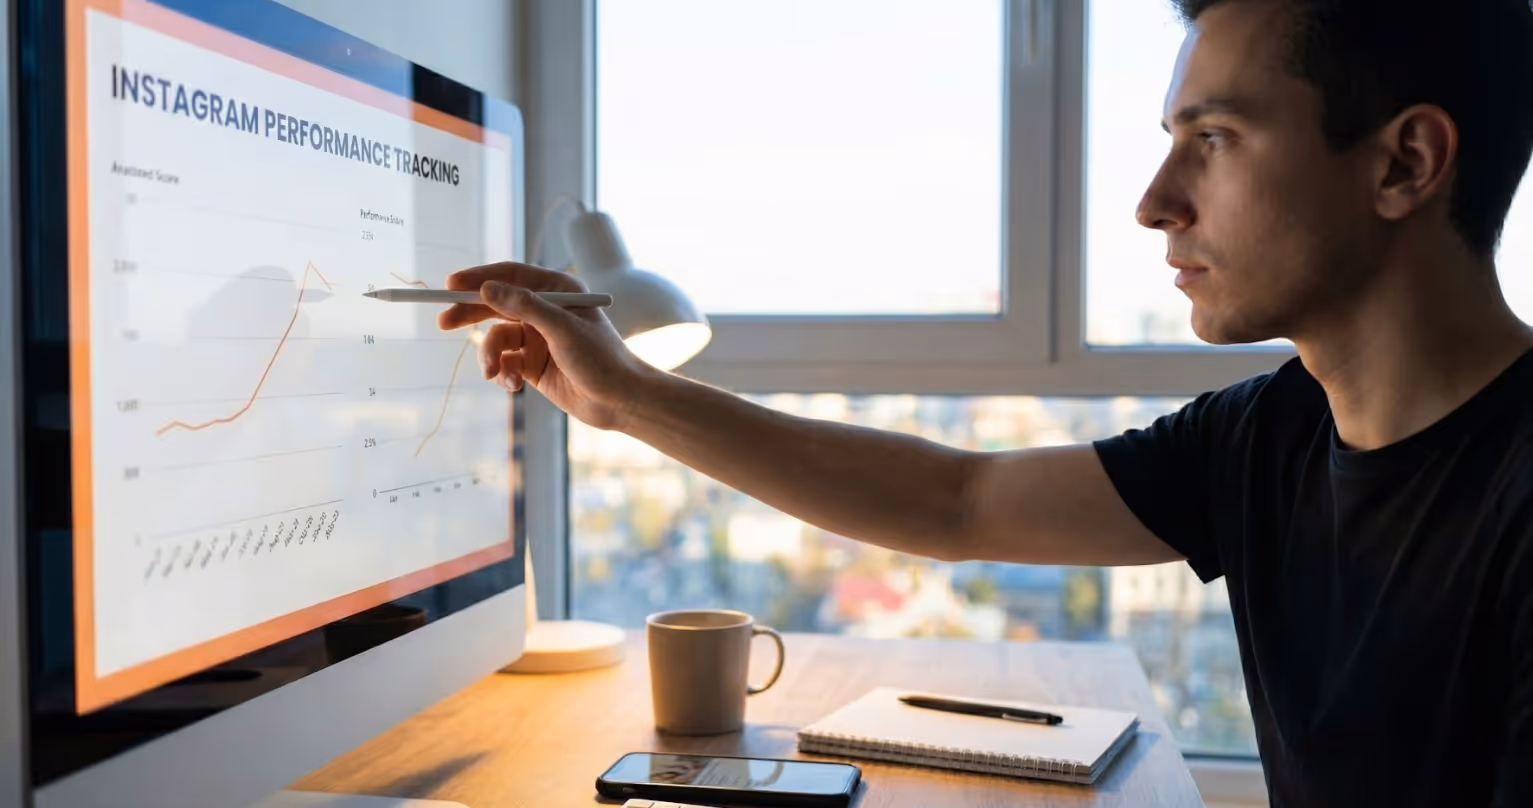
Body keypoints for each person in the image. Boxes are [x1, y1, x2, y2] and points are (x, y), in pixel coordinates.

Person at [439, 0, 1533, 804]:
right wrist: (624, 396)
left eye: (1215, 138)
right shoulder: (1276, 432)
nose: (1155, 203)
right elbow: (959, 500)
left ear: (1405, 164)